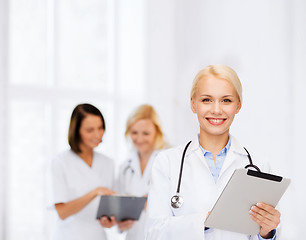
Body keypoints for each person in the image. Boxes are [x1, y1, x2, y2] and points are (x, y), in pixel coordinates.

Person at [146, 65, 281, 240]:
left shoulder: (259, 165)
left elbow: (263, 233)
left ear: (238, 105)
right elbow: (153, 233)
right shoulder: (167, 162)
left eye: (226, 100)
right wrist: (205, 221)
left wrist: (267, 232)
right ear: (193, 104)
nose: (216, 110)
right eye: (206, 100)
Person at [48, 103, 116, 240]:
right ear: (76, 130)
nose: (97, 134)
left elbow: (109, 209)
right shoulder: (61, 162)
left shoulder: (108, 163)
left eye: (100, 128)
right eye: (90, 130)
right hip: (69, 235)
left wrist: (110, 221)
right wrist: (95, 192)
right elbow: (62, 212)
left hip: (98, 236)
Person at [115, 104, 168, 240]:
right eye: (134, 133)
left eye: (146, 133)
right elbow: (119, 210)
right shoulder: (125, 167)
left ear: (157, 132)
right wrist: (121, 223)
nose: (139, 139)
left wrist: (155, 202)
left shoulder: (169, 161)